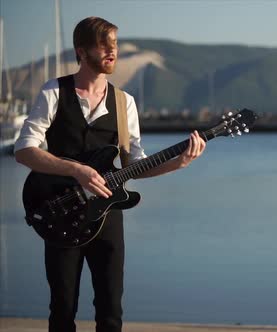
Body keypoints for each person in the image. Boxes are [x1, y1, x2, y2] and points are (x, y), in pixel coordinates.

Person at [14, 17, 206, 332]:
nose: (112, 51)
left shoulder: (124, 103)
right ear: (82, 50)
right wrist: (76, 169)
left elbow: (136, 164)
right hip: (60, 210)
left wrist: (179, 163)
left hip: (107, 219)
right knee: (62, 309)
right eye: (104, 45)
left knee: (111, 311)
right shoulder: (54, 92)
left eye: (115, 44)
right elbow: (24, 151)